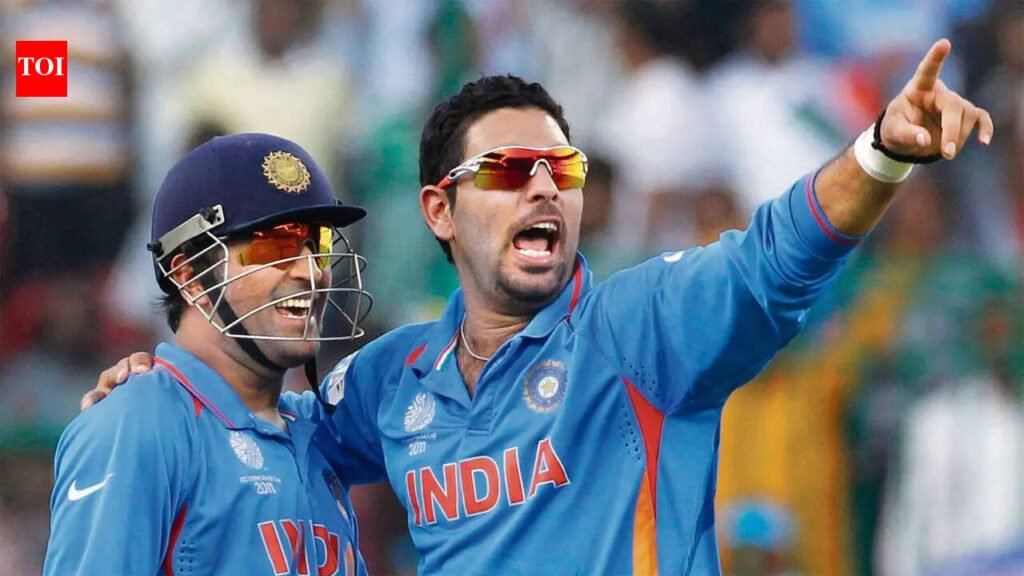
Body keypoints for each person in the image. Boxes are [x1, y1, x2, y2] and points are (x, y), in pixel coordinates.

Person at [88, 40, 992, 574]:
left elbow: (774, 260)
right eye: (510, 171)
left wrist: (882, 153)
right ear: (439, 210)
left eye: (562, 168)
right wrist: (161, 384)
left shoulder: (641, 329)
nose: (545, 188)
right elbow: (270, 433)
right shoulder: (388, 380)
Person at [48, 134, 372, 575]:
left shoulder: (320, 429)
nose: (311, 271)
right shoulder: (140, 423)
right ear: (190, 277)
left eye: (319, 244)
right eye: (275, 246)